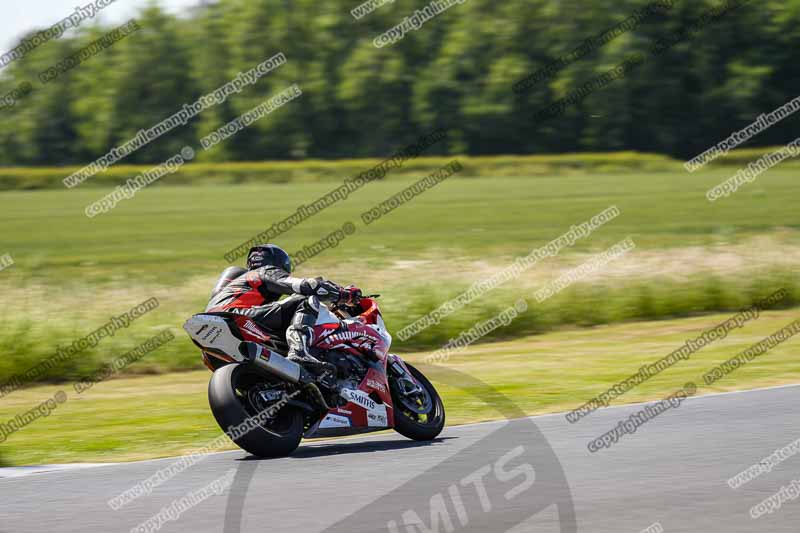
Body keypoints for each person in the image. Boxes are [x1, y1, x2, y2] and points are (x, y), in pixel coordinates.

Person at [206, 244, 360, 365]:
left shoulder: (241, 287)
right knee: (305, 300)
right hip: (235, 316)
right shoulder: (265, 271)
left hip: (212, 339)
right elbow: (307, 286)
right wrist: (343, 295)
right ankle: (299, 353)